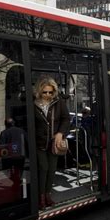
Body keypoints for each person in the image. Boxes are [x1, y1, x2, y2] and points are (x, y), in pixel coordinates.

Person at [34, 77, 70, 210]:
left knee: (52, 169)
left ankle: (48, 195)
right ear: (39, 91)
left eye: (50, 92)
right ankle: (41, 197)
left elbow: (66, 119)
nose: (48, 95)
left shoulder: (58, 102)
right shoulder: (33, 104)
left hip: (54, 142)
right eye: (45, 92)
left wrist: (61, 133)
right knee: (43, 168)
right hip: (39, 143)